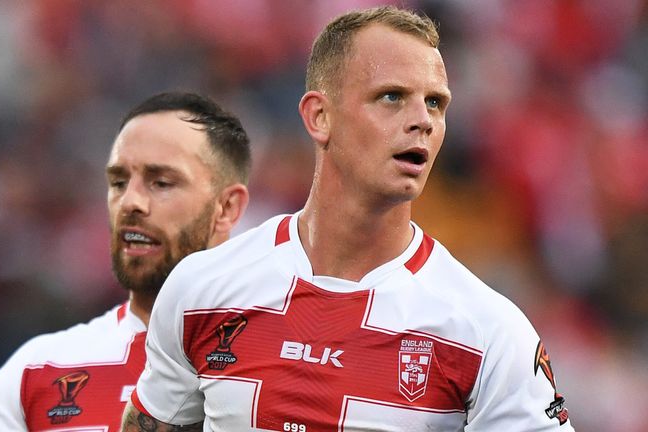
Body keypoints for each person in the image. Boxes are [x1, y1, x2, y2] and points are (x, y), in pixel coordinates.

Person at [123, 6, 575, 432]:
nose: (422, 120)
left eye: (436, 103)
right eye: (392, 97)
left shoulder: (486, 331)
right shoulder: (203, 288)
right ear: (320, 117)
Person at [0, 91, 251, 431]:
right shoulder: (35, 371)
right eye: (118, 182)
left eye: (161, 182)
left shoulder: (291, 358)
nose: (130, 202)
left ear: (227, 208)